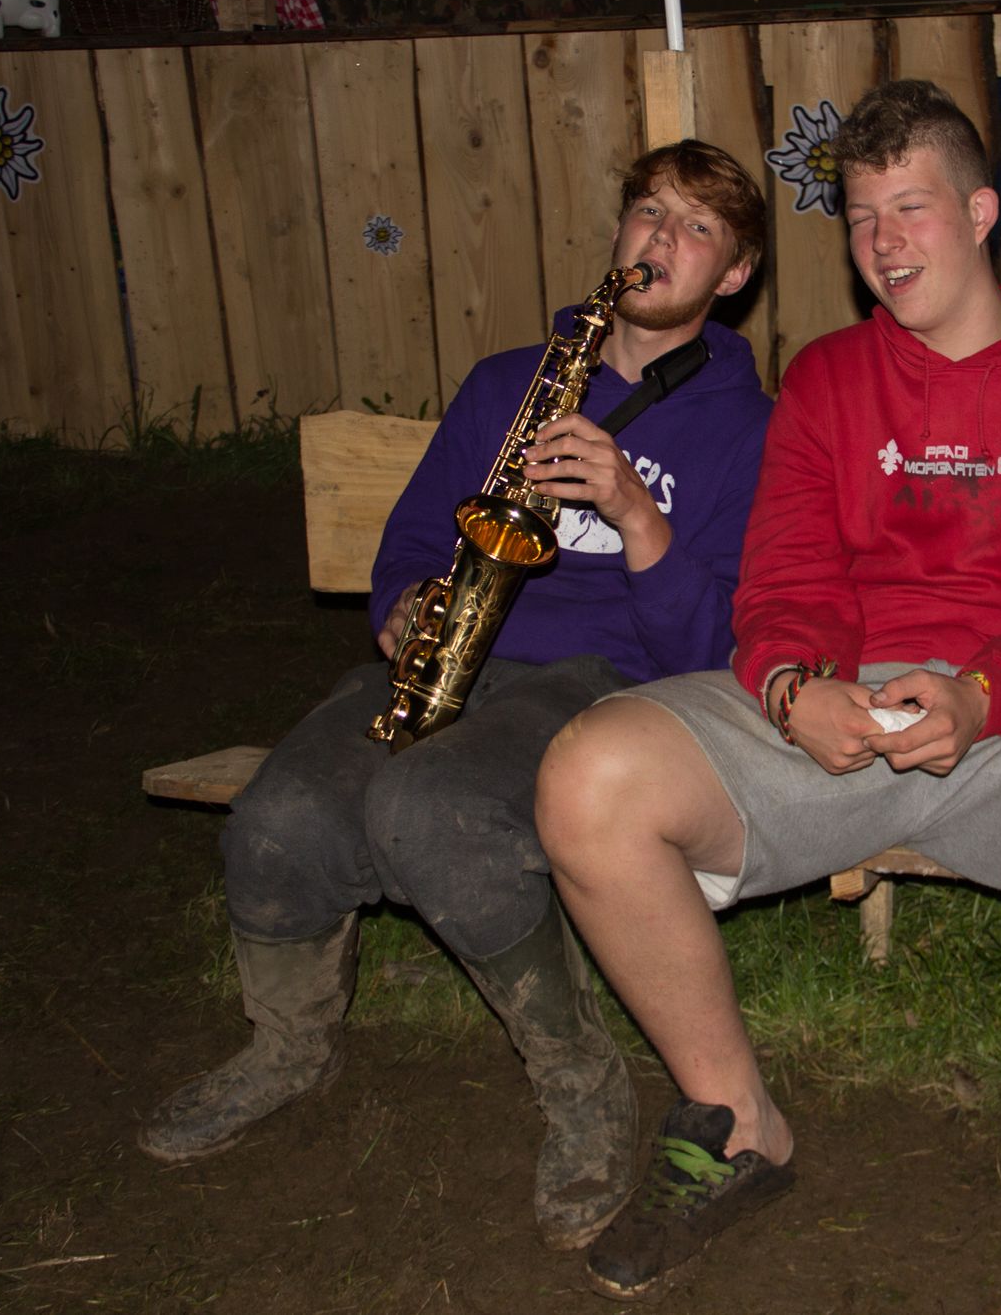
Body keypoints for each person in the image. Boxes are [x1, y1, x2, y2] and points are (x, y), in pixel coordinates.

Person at [536, 82, 1001, 1310]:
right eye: (859, 217)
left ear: (982, 212)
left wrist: (984, 694)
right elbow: (785, 575)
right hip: (835, 719)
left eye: (911, 208)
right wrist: (791, 685)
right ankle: (733, 1121)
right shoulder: (830, 377)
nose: (883, 243)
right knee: (588, 775)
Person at [138, 140, 773, 1255]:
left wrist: (634, 512)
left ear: (734, 274)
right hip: (457, 655)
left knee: (434, 811)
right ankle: (288, 1047)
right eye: (647, 212)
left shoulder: (748, 428)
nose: (659, 241)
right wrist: (403, 605)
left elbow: (708, 645)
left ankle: (581, 1081)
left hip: (610, 687)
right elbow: (414, 540)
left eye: (696, 228)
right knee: (281, 815)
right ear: (617, 233)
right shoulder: (505, 384)